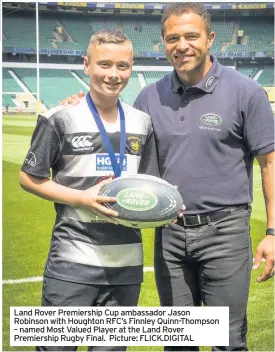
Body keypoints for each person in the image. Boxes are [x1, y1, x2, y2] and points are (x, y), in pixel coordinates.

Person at [67, 3, 274, 351]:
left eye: (191, 36)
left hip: (225, 233)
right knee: (178, 342)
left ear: (210, 39)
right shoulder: (149, 96)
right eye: (172, 38)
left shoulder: (245, 92)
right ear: (163, 43)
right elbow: (124, 141)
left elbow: (270, 162)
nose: (182, 45)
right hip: (170, 236)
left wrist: (273, 232)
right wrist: (81, 103)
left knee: (227, 340)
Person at [19, 29, 159, 352]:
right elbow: (29, 177)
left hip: (125, 267)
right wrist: (82, 199)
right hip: (71, 262)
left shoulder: (142, 123)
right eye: (104, 64)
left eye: (122, 66)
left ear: (132, 68)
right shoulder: (59, 118)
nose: (113, 74)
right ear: (86, 64)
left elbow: (151, 186)